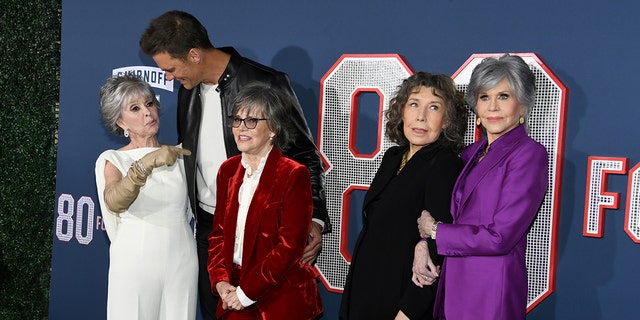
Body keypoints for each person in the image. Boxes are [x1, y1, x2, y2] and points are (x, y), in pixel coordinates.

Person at [139, 11, 331, 319]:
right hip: (211, 231)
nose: (169, 78)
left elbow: (304, 155)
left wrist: (316, 218)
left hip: (265, 233)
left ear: (193, 54)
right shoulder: (189, 90)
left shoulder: (265, 82)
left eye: (171, 69)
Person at [412, 54, 549, 320]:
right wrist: (423, 242)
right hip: (450, 283)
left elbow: (500, 237)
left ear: (522, 105)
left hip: (490, 290)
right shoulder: (470, 153)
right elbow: (444, 211)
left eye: (504, 97)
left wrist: (436, 232)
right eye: (485, 97)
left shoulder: (529, 155)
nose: (493, 107)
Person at [339, 72, 467, 320]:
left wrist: (407, 313)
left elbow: (435, 250)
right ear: (402, 111)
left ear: (447, 121)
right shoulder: (393, 157)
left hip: (400, 302)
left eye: (434, 107)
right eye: (414, 104)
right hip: (365, 292)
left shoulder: (445, 165)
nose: (421, 116)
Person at [207, 83, 323, 319]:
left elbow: (290, 248)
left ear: (273, 128)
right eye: (237, 120)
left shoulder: (293, 173)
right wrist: (220, 281)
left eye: (251, 120)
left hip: (279, 297)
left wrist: (246, 293)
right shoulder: (227, 171)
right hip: (233, 292)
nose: (241, 128)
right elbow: (218, 234)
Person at [94, 74, 197, 320]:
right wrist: (144, 165)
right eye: (135, 108)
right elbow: (115, 201)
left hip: (182, 259)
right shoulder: (113, 159)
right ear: (121, 122)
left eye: (149, 103)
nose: (147, 113)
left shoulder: (180, 155)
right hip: (134, 260)